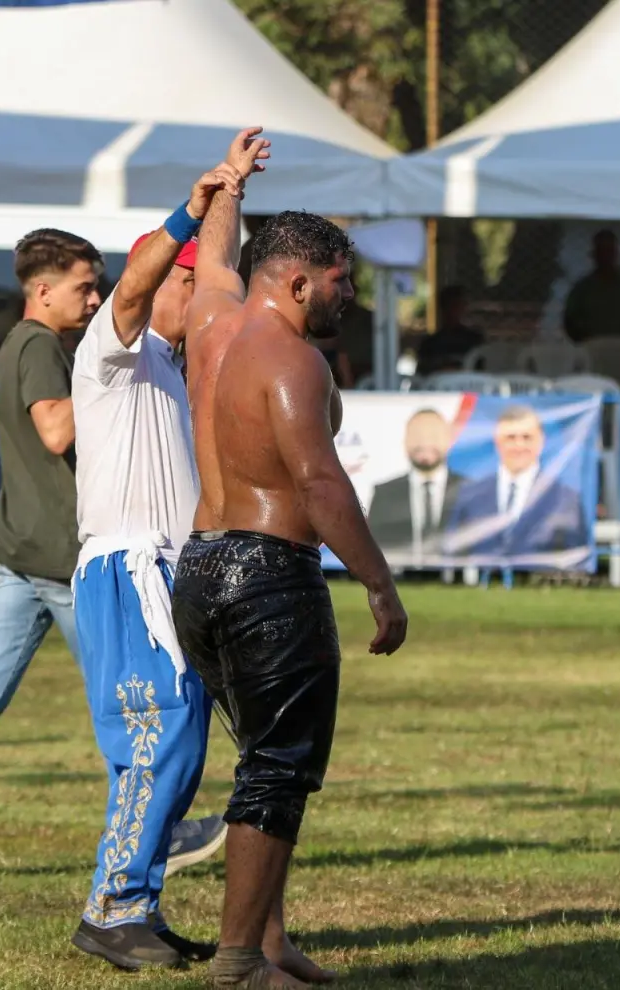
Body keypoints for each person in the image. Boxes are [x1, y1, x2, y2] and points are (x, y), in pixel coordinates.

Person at [0, 229, 225, 880]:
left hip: (12, 549)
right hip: (56, 559)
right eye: (83, 286)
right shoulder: (39, 342)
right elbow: (54, 428)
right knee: (134, 700)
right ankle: (162, 828)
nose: (95, 298)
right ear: (42, 291)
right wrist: (107, 385)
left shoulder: (28, 343)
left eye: (98, 285)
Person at [173, 144, 409, 987]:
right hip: (269, 573)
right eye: (342, 280)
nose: (350, 295)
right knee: (277, 770)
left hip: (197, 570)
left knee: (262, 761)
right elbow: (318, 481)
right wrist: (380, 585)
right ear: (301, 282)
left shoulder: (211, 324)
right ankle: (239, 962)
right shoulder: (295, 359)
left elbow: (215, 266)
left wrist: (228, 189)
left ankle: (267, 941)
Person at [67, 138, 264, 972]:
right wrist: (190, 206)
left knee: (175, 743)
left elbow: (212, 266)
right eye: (190, 280)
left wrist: (231, 193)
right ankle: (113, 908)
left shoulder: (174, 373)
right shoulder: (113, 353)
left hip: (162, 573)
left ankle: (130, 903)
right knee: (160, 735)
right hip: (125, 569)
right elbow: (141, 278)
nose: (200, 293)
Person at [444, 405, 586, 561]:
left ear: (541, 441)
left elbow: (576, 557)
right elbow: (455, 551)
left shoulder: (566, 499)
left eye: (526, 437)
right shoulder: (469, 494)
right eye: (510, 437)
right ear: (497, 442)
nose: (519, 446)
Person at [366, 407, 467, 564]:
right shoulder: (384, 493)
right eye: (417, 436)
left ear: (449, 440)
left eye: (433, 436)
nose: (425, 443)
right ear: (405, 442)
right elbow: (373, 548)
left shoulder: (470, 490)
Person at [563, 230, 620, 344]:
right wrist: (583, 342)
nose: (605, 256)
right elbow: (569, 320)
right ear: (594, 255)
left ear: (616, 254)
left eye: (609, 251)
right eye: (601, 251)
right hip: (592, 346)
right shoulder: (582, 288)